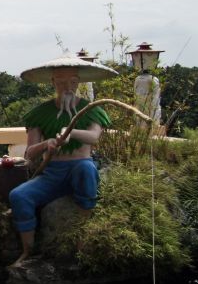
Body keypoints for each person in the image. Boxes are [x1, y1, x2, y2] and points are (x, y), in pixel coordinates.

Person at [8, 55, 117, 266]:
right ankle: (27, 251)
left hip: (80, 167)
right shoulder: (39, 114)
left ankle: (81, 240)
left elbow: (94, 137)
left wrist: (72, 133)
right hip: (52, 173)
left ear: (78, 83)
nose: (68, 87)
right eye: (61, 82)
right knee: (19, 195)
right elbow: (29, 153)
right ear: (53, 83)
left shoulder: (91, 110)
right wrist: (46, 144)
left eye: (73, 82)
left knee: (85, 168)